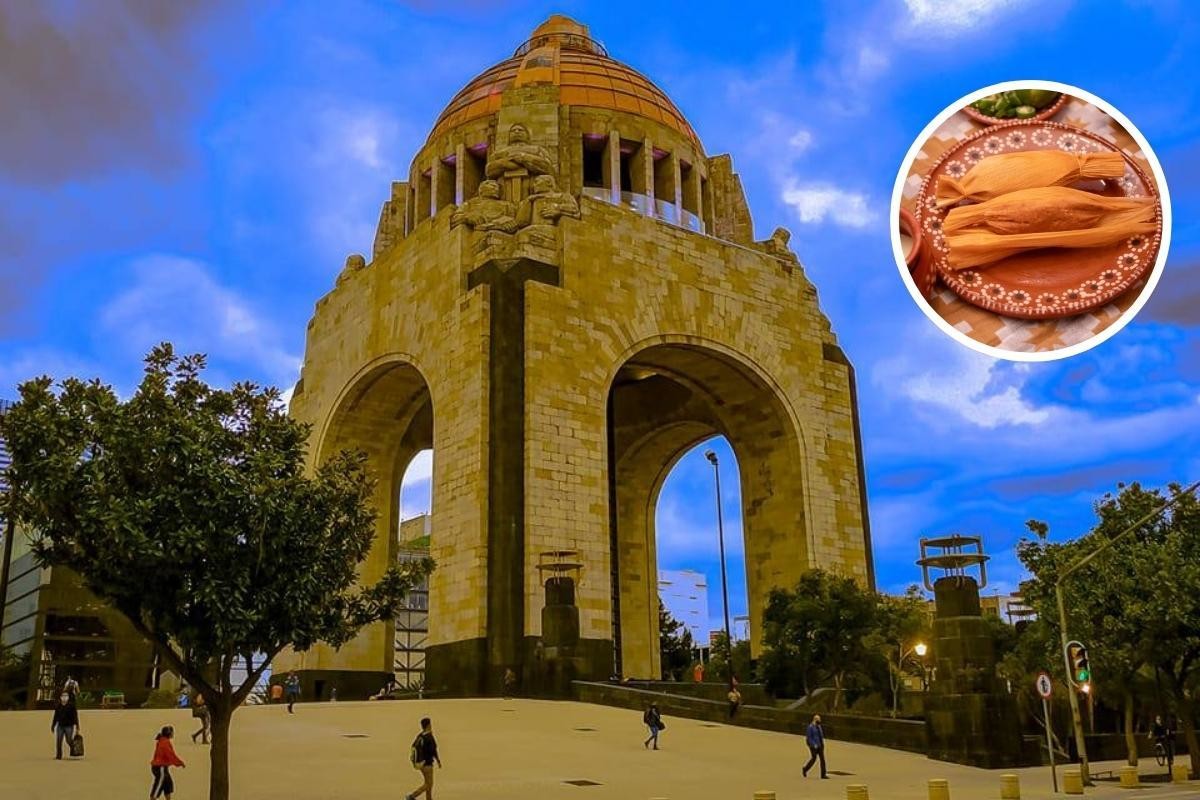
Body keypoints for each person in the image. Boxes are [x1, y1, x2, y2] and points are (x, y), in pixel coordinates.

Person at [406, 717, 441, 800]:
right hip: (427, 764)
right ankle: (412, 796)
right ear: (428, 725)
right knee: (428, 784)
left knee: (428, 783)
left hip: (421, 763)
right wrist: (438, 760)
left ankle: (429, 798)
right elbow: (433, 750)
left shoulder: (420, 735)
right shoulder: (429, 736)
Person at [150, 725, 186, 799]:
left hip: (162, 767)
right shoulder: (165, 743)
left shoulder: (162, 740)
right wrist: (179, 763)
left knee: (168, 785)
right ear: (169, 734)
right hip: (160, 768)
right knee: (157, 788)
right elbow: (171, 755)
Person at [51, 691, 80, 760]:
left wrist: (77, 725)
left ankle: (73, 749)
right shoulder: (58, 706)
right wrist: (53, 725)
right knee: (59, 740)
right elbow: (55, 716)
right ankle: (59, 755)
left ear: (68, 697)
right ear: (60, 697)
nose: (64, 697)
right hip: (60, 725)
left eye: (66, 696)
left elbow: (75, 716)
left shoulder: (71, 706)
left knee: (69, 740)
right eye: (63, 696)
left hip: (69, 726)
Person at [803, 713, 828, 779]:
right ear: (815, 719)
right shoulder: (810, 727)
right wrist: (814, 744)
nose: (820, 720)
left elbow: (821, 735)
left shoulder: (819, 726)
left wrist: (822, 744)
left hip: (820, 745)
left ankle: (823, 774)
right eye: (818, 719)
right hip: (813, 746)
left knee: (822, 760)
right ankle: (805, 769)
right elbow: (809, 737)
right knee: (813, 759)